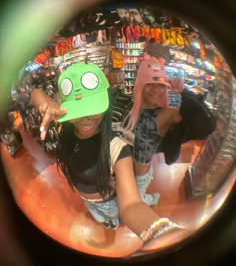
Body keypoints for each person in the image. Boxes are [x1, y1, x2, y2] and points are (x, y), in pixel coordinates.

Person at [30, 61, 183, 250]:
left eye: (93, 110)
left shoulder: (117, 147)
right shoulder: (68, 125)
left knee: (114, 213)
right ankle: (108, 221)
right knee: (101, 217)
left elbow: (131, 205)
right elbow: (35, 93)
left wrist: (160, 232)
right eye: (78, 112)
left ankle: (113, 220)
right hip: (88, 201)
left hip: (110, 201)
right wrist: (45, 106)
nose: (85, 120)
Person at [121, 57, 217, 206]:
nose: (156, 89)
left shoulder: (166, 115)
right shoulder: (128, 106)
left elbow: (207, 126)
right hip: (124, 165)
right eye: (150, 84)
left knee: (136, 198)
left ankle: (142, 199)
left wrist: (185, 92)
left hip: (142, 171)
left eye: (161, 85)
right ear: (140, 84)